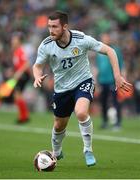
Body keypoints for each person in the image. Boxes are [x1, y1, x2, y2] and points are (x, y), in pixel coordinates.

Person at [32, 11, 132, 166]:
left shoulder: (81, 39)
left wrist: (117, 76)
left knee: (81, 112)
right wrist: (37, 76)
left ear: (65, 26)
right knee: (59, 125)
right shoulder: (46, 45)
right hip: (61, 88)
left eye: (54, 27)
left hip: (83, 81)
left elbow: (110, 51)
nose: (51, 30)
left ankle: (88, 150)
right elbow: (37, 66)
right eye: (49, 26)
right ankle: (56, 152)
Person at [95, 32, 125, 130]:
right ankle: (105, 121)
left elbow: (122, 65)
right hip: (102, 80)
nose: (105, 39)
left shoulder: (115, 50)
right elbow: (97, 68)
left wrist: (122, 78)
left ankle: (118, 123)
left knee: (115, 102)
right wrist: (96, 81)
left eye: (106, 37)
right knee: (103, 102)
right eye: (103, 37)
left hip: (113, 80)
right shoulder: (99, 52)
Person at [11, 32, 31, 123]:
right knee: (17, 95)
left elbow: (27, 63)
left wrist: (19, 73)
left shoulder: (20, 51)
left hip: (23, 75)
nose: (12, 41)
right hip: (21, 75)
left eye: (15, 40)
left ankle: (24, 116)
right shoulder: (16, 51)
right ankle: (24, 116)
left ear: (19, 41)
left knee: (17, 94)